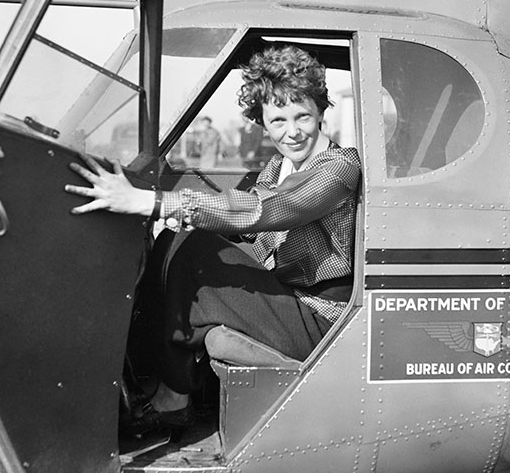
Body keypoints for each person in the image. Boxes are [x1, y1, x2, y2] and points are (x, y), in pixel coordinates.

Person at [65, 45, 360, 433]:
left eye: (303, 115)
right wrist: (179, 223)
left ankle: (173, 398)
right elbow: (252, 230)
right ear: (263, 122)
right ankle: (146, 379)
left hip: (320, 319)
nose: (293, 131)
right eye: (278, 120)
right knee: (180, 239)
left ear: (321, 111)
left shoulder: (339, 167)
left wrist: (153, 201)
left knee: (197, 250)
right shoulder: (278, 165)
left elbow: (266, 210)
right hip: (288, 296)